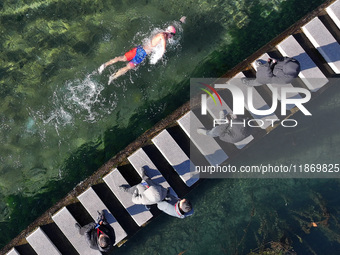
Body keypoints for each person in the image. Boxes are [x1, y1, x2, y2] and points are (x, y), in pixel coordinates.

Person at [98, 23, 181, 84]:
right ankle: (113, 77)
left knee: (122, 58)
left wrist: (180, 22)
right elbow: (163, 46)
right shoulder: (164, 37)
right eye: (172, 35)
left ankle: (104, 65)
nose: (171, 37)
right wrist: (160, 55)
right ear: (170, 33)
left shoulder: (161, 32)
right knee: (128, 67)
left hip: (139, 49)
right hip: (142, 54)